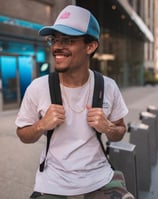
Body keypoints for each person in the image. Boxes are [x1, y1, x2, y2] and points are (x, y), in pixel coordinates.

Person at [15, 5, 135, 199]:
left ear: (90, 46)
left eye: (67, 40)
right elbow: (22, 134)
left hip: (99, 179)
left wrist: (107, 127)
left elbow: (119, 133)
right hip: (53, 183)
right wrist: (41, 125)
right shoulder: (38, 87)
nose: (56, 47)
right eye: (54, 40)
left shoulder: (108, 86)